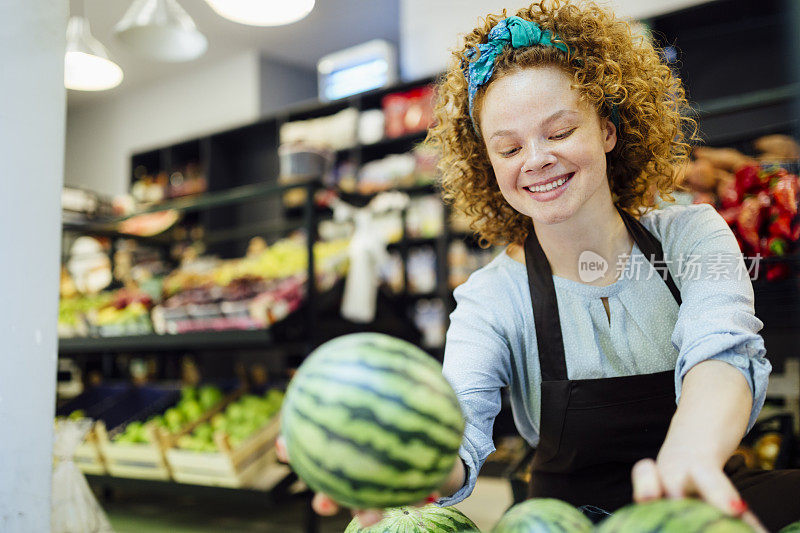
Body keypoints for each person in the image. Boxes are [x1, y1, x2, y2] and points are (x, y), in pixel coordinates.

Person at [277, 1, 800, 529]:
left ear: (608, 130)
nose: (536, 159)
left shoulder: (693, 235)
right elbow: (463, 424)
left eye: (559, 131)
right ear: (489, 164)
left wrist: (689, 454)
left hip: (701, 487)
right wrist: (410, 464)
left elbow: (724, 350)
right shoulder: (490, 298)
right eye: (507, 147)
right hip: (560, 518)